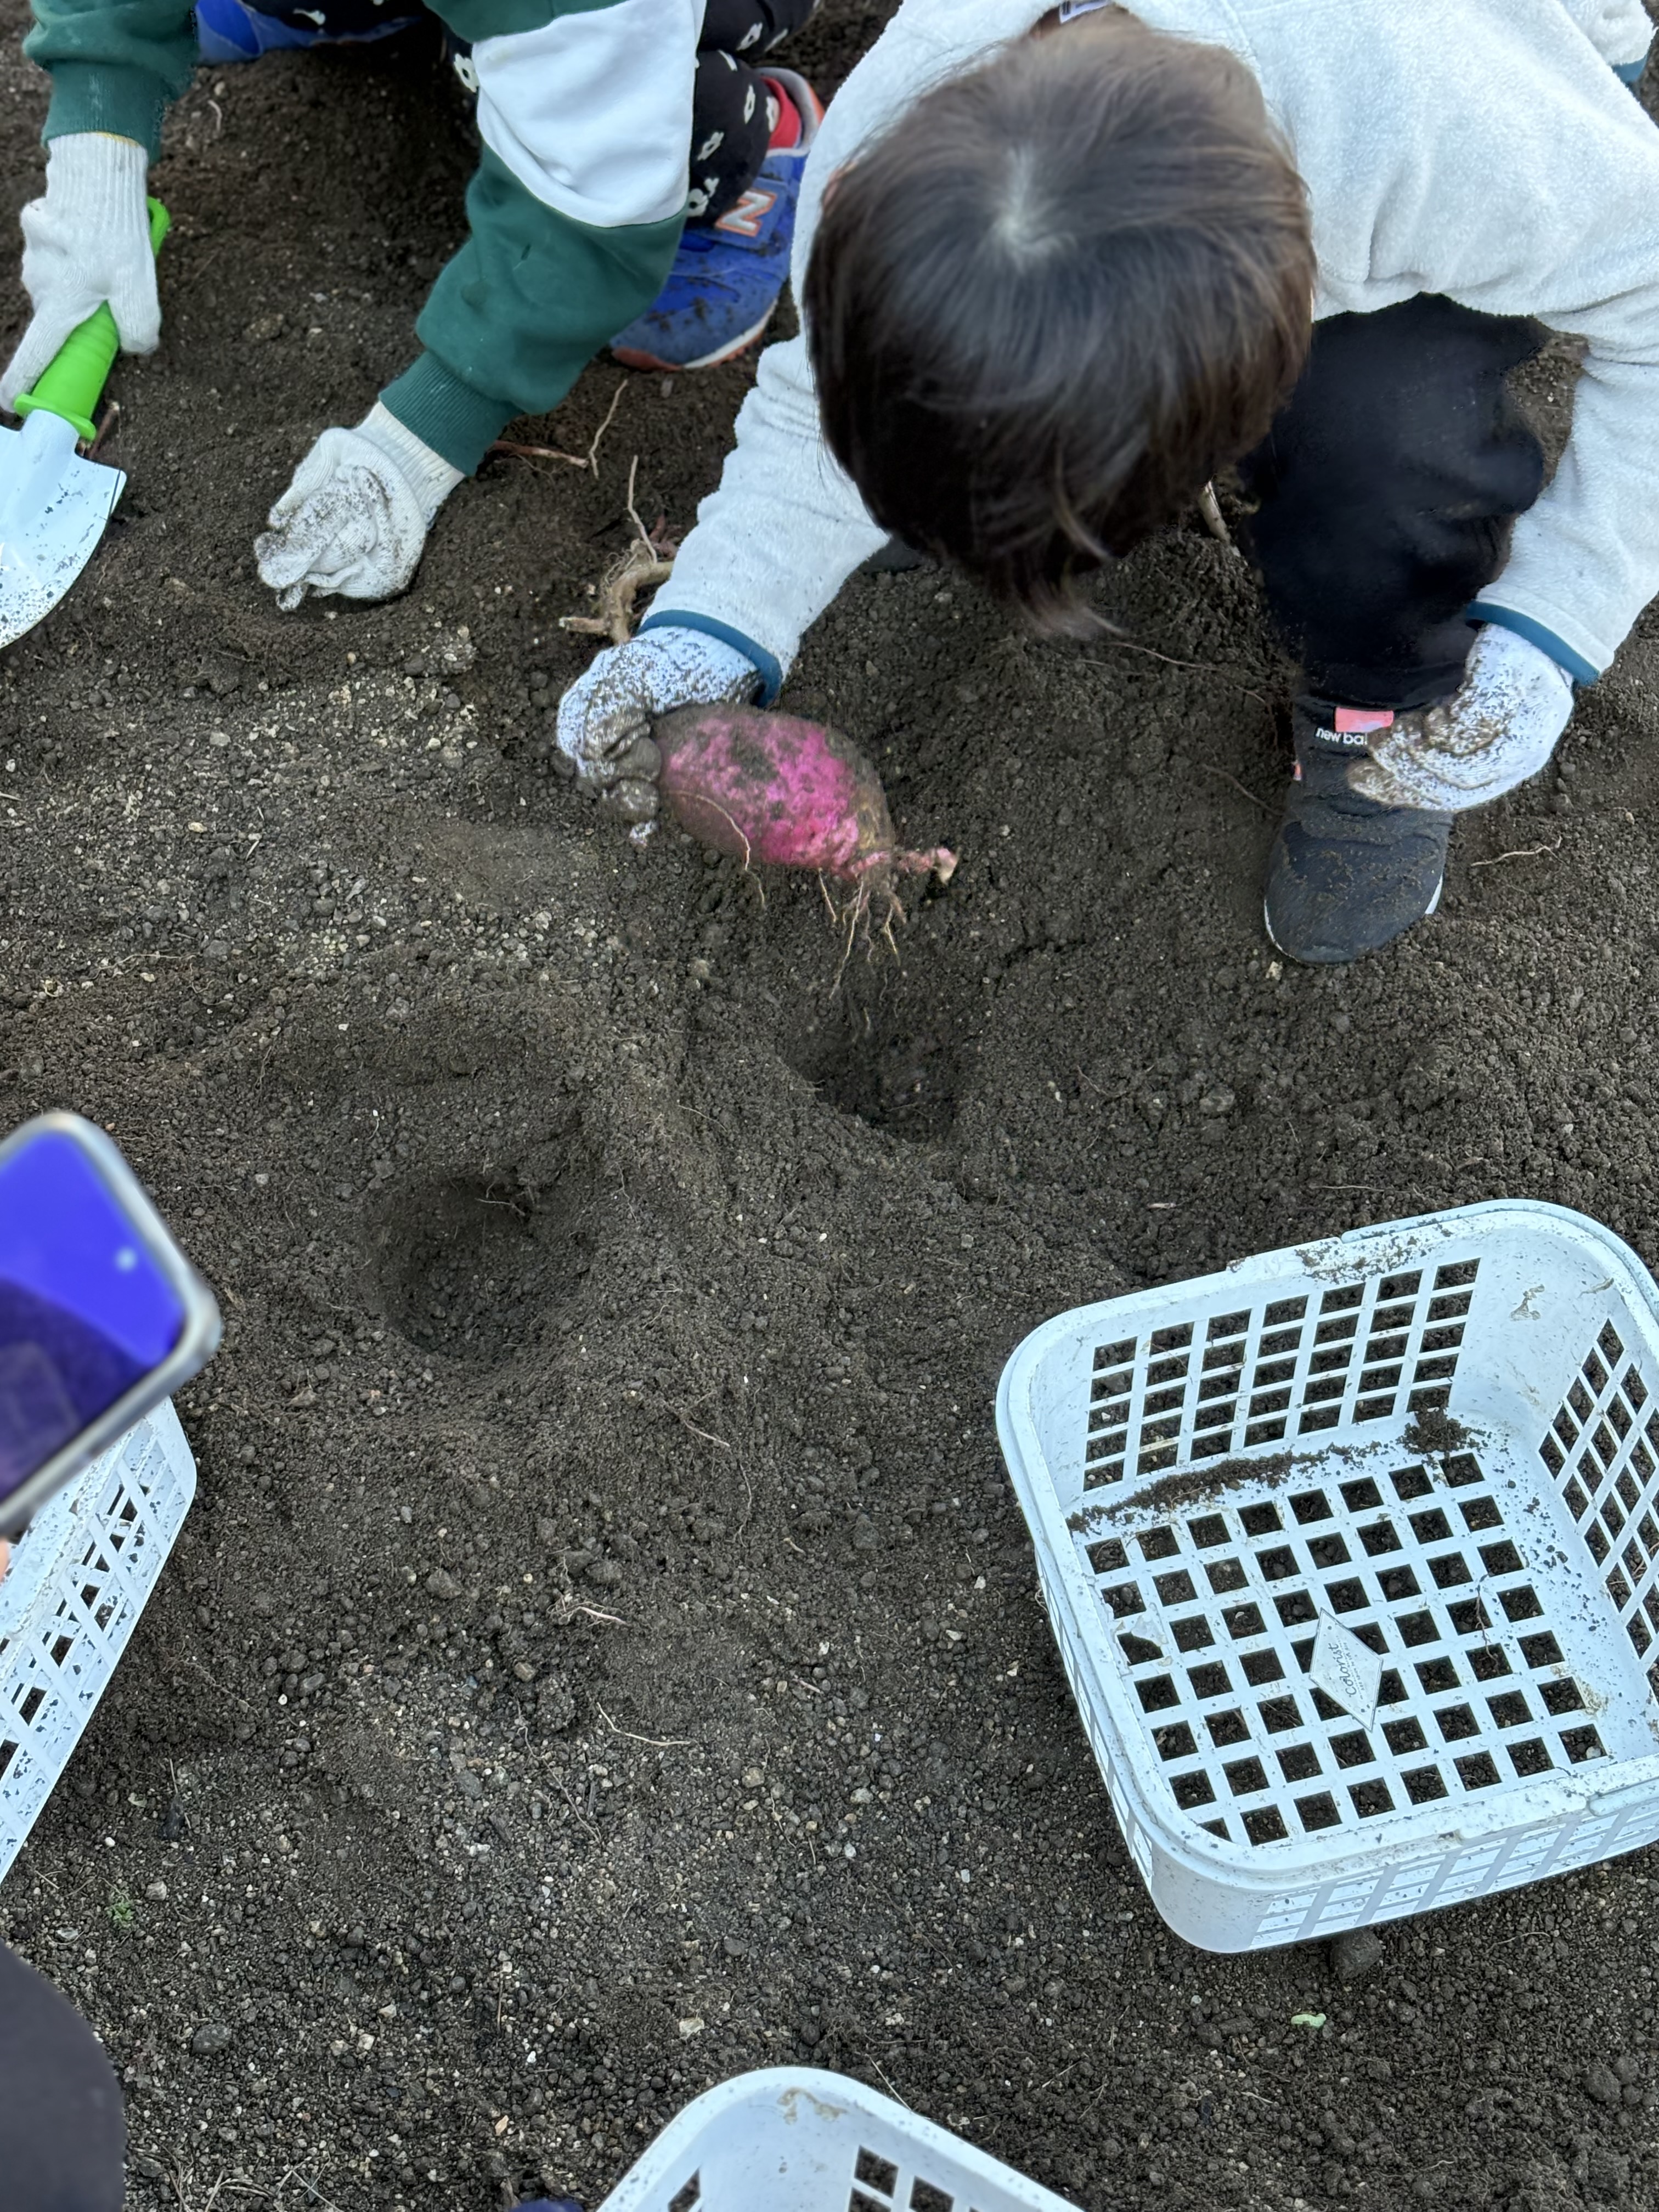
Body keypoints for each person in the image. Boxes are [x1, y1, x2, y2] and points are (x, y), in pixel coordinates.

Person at [556, 0, 1659, 966]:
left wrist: (1558, 619)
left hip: (1523, 67)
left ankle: (1382, 704)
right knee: (914, 430)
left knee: (1387, 445)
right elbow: (820, 395)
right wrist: (714, 617)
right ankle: (937, 484)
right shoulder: (890, 146)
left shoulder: (1465, 144)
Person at [3, 0, 822, 610]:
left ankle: (749, 153)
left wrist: (426, 434)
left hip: (622, 33)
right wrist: (97, 136)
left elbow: (595, 204)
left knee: (666, 118)